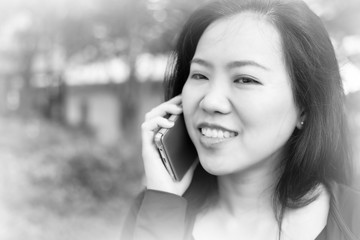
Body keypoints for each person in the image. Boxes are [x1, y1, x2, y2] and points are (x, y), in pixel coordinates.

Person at [122, 0, 360, 239]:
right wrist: (163, 208)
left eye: (245, 79)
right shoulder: (155, 209)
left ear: (304, 107)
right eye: (199, 74)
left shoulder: (353, 221)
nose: (210, 102)